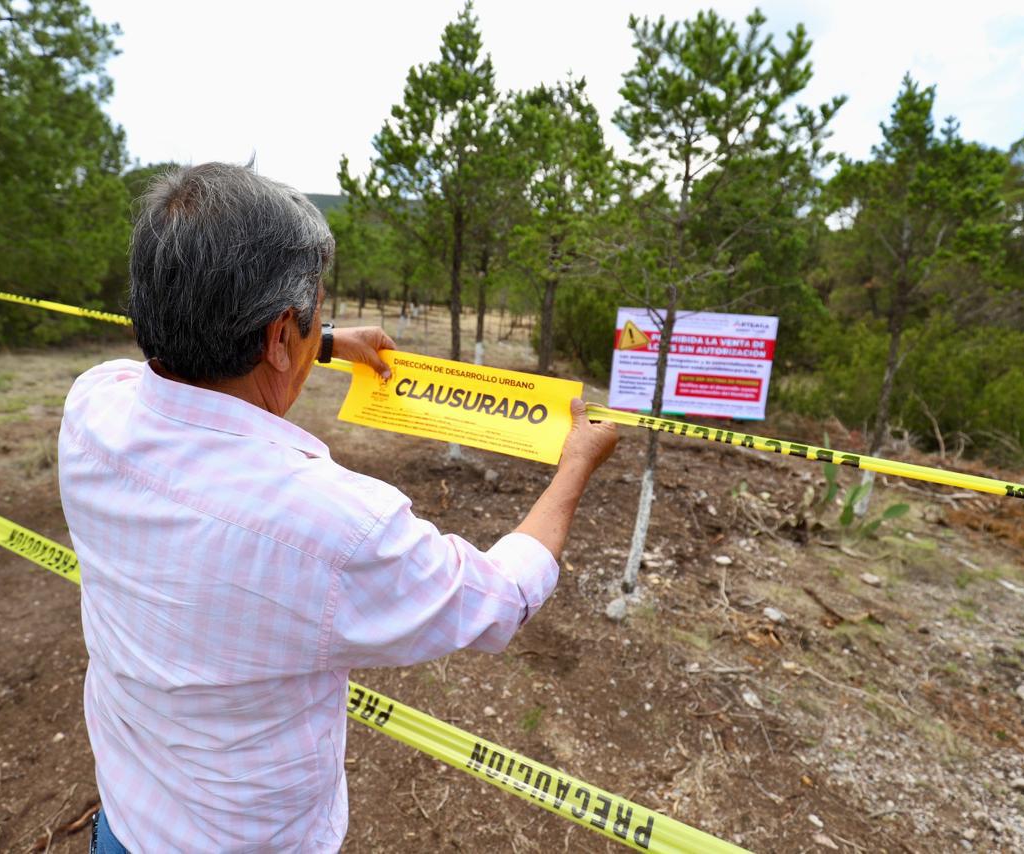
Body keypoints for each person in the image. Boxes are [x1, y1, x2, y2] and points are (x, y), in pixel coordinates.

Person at [58, 162, 617, 853]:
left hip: (126, 825)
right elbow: (497, 599)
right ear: (274, 338)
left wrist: (318, 343)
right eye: (316, 310)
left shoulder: (90, 409)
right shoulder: (330, 526)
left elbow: (166, 358)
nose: (323, 321)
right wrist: (573, 468)